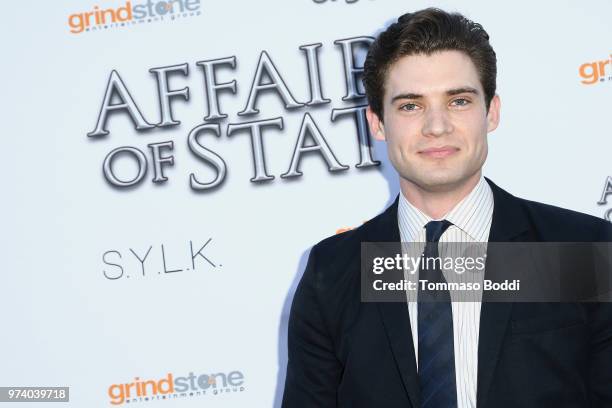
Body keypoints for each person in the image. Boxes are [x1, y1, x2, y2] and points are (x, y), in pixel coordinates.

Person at [281, 7, 612, 408]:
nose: (436, 126)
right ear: (377, 124)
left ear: (491, 112)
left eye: (458, 101)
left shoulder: (582, 250)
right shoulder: (333, 272)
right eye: (410, 105)